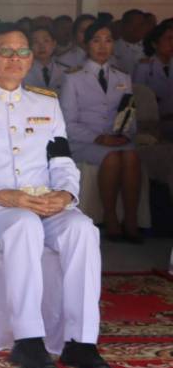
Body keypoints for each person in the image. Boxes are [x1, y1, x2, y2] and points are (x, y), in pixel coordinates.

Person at [0, 23, 111, 368]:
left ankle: (81, 342)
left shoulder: (46, 103)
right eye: (6, 52)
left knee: (83, 228)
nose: (15, 59)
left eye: (23, 51)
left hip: (44, 203)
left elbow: (62, 159)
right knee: (22, 224)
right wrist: (2, 195)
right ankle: (29, 339)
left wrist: (65, 193)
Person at [60, 21, 142, 242]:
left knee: (132, 156)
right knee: (112, 157)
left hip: (117, 139)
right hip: (85, 141)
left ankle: (131, 219)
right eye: (96, 40)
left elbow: (128, 113)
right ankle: (110, 217)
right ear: (86, 44)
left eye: (108, 40)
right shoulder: (73, 77)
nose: (103, 46)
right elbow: (68, 123)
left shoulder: (122, 76)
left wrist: (124, 135)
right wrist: (99, 138)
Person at [134, 20, 173, 139]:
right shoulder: (144, 67)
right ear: (155, 44)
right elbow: (138, 99)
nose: (172, 43)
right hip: (153, 126)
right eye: (168, 39)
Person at [25, 26, 65, 92]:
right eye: (35, 42)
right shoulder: (24, 72)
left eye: (46, 41)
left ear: (54, 44)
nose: (41, 46)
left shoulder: (65, 71)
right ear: (29, 46)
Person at [114, 9, 148, 74]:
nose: (138, 28)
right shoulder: (112, 49)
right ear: (124, 25)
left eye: (141, 24)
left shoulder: (150, 48)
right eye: (133, 24)